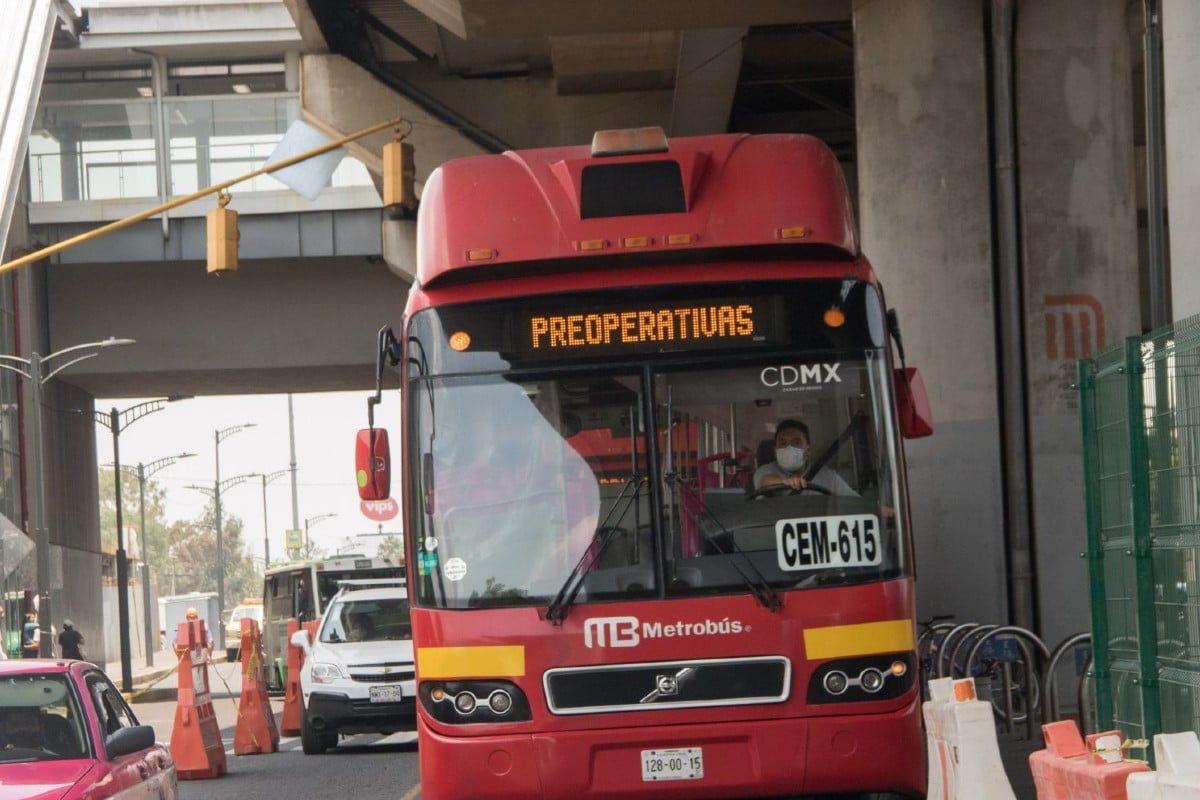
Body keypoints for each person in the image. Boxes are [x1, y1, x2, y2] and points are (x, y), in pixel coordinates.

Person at [752, 419, 857, 495]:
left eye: (796, 443)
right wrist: (785, 482)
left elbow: (854, 502)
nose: (789, 448)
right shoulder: (765, 470)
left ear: (808, 450)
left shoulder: (826, 475)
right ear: (775, 451)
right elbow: (765, 481)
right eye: (783, 443)